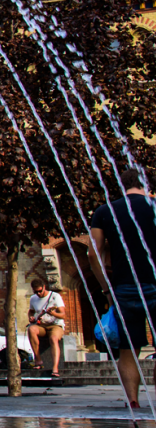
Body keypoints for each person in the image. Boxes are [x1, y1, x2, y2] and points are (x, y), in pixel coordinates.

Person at [91, 166, 156, 409]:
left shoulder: (105, 211)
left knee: (128, 350)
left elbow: (92, 254)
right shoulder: (154, 207)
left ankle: (133, 401)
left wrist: (106, 289)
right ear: (146, 184)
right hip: (154, 282)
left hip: (124, 287)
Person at [26, 278, 66, 377]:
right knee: (31, 329)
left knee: (53, 338)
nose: (38, 294)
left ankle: (55, 368)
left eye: (40, 291)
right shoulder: (33, 298)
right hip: (42, 325)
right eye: (36, 292)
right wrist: (31, 317)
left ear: (44, 287)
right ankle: (38, 360)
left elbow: (63, 315)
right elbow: (31, 311)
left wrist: (53, 313)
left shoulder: (55, 297)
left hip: (56, 325)